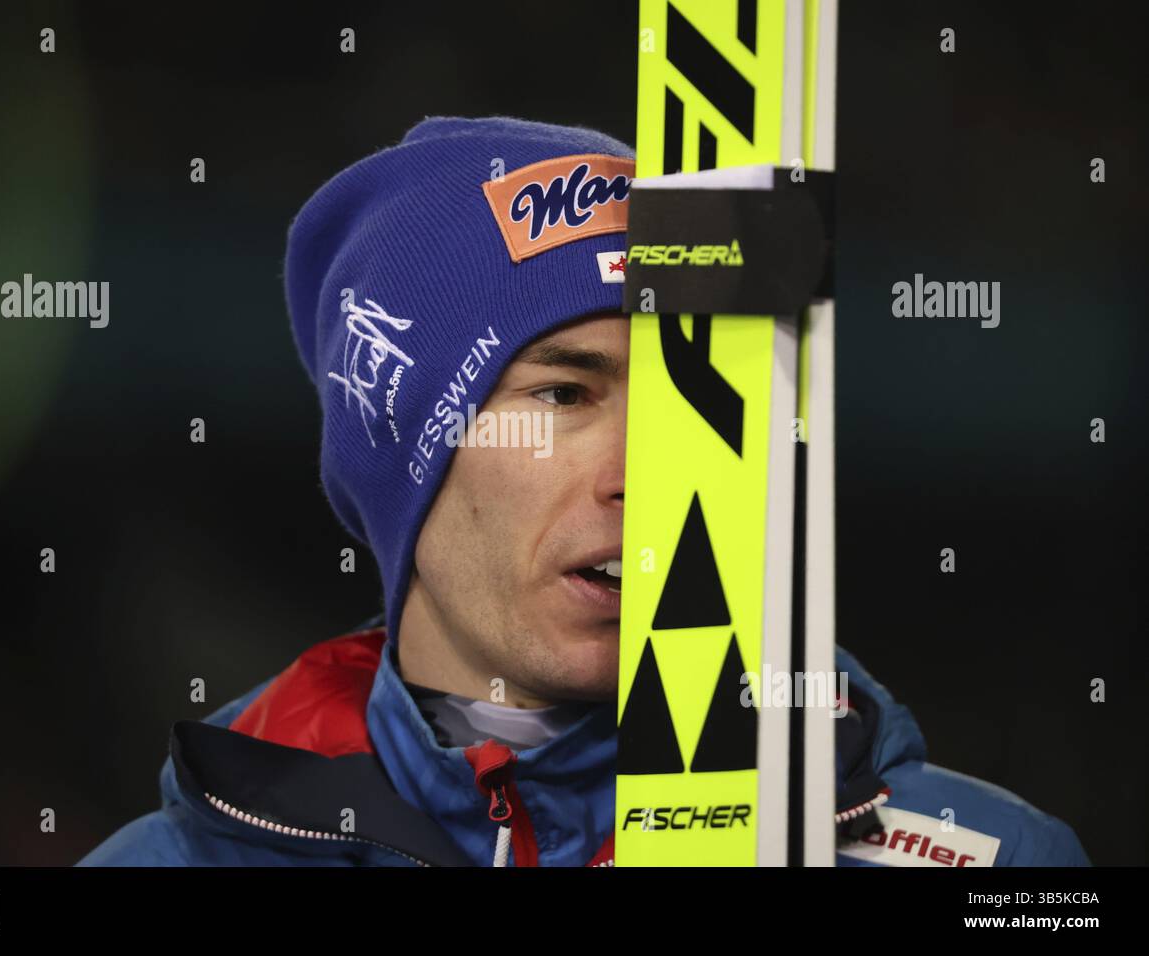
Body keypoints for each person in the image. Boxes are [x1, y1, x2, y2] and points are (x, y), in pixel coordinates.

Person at [78, 116, 1089, 867]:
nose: (641, 466)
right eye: (564, 393)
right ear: (405, 450)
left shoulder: (996, 862)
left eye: (683, 396)